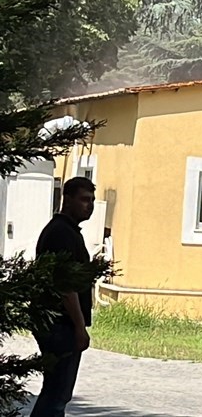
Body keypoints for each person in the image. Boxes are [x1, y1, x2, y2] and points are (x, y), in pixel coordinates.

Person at [31, 176, 96, 417]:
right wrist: (79, 326)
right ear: (67, 200)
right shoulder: (61, 233)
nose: (89, 206)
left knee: (57, 392)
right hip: (59, 323)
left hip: (58, 322)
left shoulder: (67, 231)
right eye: (84, 200)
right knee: (57, 394)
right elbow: (65, 286)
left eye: (92, 201)